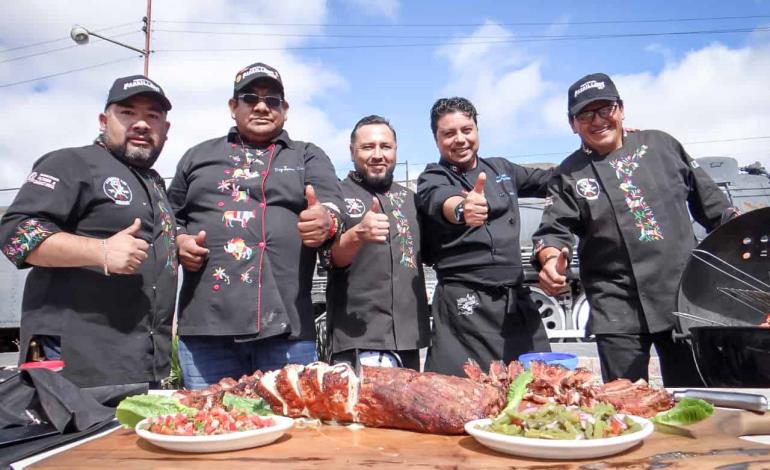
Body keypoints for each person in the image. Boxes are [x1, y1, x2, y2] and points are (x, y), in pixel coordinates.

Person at [532, 72, 735, 386]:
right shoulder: (568, 174)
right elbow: (554, 230)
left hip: (681, 297)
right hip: (616, 306)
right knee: (624, 405)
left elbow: (716, 210)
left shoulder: (662, 145)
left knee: (695, 401)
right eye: (585, 114)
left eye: (605, 109)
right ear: (572, 124)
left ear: (621, 109)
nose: (597, 120)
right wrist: (549, 259)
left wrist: (747, 241)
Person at [167, 62, 345, 389]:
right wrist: (179, 242)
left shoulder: (307, 155)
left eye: (273, 100)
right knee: (210, 427)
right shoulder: (197, 156)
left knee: (291, 434)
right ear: (233, 107)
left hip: (288, 332)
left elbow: (334, 204)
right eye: (250, 98)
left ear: (285, 110)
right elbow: (166, 218)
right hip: (207, 330)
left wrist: (327, 219)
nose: (262, 106)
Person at [0, 75, 176, 388]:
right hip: (75, 373)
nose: (141, 124)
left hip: (143, 369)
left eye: (152, 116)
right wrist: (100, 251)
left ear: (165, 130)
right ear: (103, 120)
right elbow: (14, 234)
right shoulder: (71, 163)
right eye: (127, 112)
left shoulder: (155, 184)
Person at [416, 97, 552, 377]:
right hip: (464, 303)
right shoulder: (432, 176)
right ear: (436, 138)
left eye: (467, 130)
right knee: (459, 395)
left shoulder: (502, 169)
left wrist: (598, 152)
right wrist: (463, 208)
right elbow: (441, 200)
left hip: (514, 299)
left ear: (477, 130)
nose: (460, 139)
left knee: (536, 384)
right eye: (449, 133)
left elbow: (553, 181)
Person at [321, 115, 430, 370]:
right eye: (368, 147)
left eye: (386, 147)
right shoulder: (336, 197)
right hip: (357, 338)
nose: (378, 154)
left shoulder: (411, 200)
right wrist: (357, 234)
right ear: (352, 152)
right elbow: (328, 258)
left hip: (408, 337)